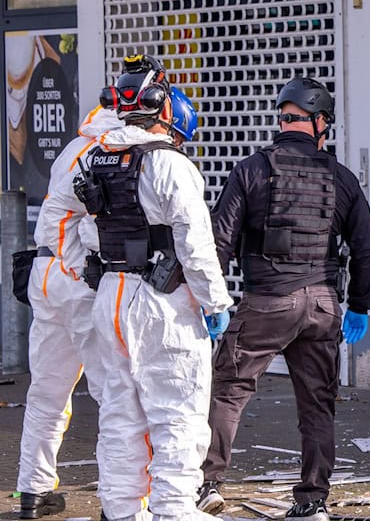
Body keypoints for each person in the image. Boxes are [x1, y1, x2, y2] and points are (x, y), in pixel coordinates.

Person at [199, 77, 370, 521]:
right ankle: (313, 500)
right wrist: (359, 304)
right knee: (317, 404)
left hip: (266, 301)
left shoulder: (252, 170)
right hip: (321, 305)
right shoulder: (341, 178)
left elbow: (219, 239)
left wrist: (211, 299)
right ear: (320, 123)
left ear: (283, 119)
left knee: (229, 391)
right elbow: (366, 245)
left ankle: (207, 484)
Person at [80, 54, 233, 521]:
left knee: (120, 414)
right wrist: (215, 302)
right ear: (163, 108)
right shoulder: (170, 164)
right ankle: (173, 510)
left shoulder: (94, 158)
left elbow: (88, 235)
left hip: (111, 294)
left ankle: (123, 511)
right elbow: (194, 240)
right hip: (162, 301)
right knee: (178, 413)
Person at [15, 105, 123, 519]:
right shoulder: (109, 152)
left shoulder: (76, 145)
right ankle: (120, 498)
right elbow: (89, 224)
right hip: (75, 275)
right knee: (112, 394)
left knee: (46, 392)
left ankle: (34, 490)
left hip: (44, 274)